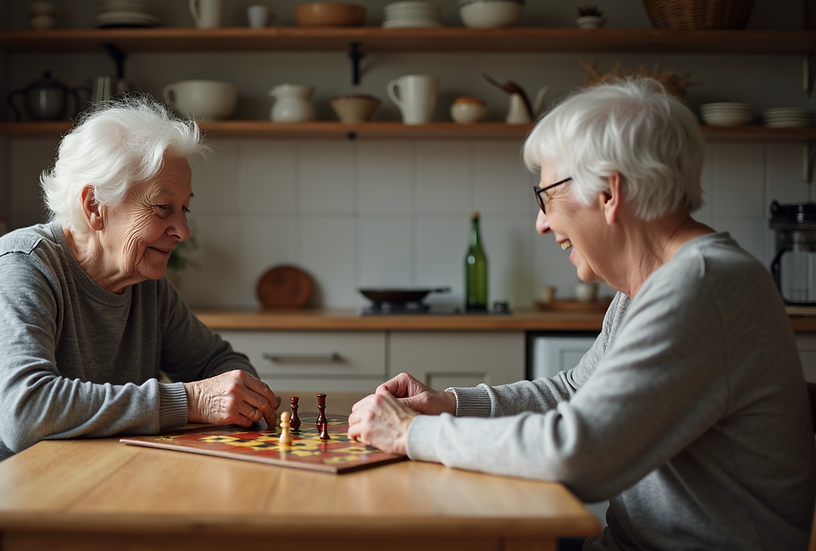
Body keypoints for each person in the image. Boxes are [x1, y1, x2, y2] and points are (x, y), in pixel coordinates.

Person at [348, 78, 816, 551]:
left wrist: (413, 432)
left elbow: (579, 455)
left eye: (546, 196)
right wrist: (450, 404)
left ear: (610, 193)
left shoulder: (703, 285)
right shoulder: (653, 286)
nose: (541, 222)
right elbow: (574, 392)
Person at [0, 97, 280, 551]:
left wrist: (242, 396)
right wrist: (192, 400)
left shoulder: (145, 283)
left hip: (76, 507)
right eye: (163, 209)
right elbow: (28, 411)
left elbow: (217, 362)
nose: (183, 230)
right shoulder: (20, 266)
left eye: (185, 209)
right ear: (95, 205)